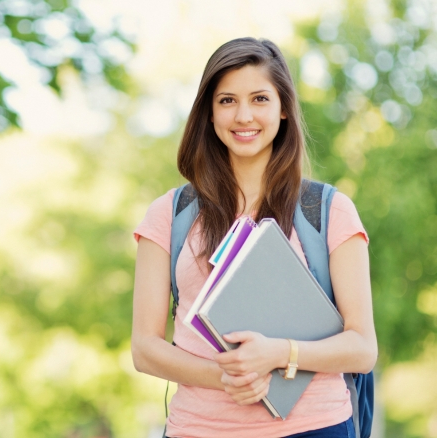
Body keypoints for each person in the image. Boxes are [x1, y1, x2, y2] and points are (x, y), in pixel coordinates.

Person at [131, 37, 377, 438]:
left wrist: (280, 354)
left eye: (260, 99)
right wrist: (228, 376)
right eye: (227, 100)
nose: (243, 115)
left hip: (316, 426)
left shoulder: (330, 210)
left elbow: (363, 349)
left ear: (283, 110)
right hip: (199, 429)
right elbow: (144, 348)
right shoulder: (169, 215)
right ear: (209, 114)